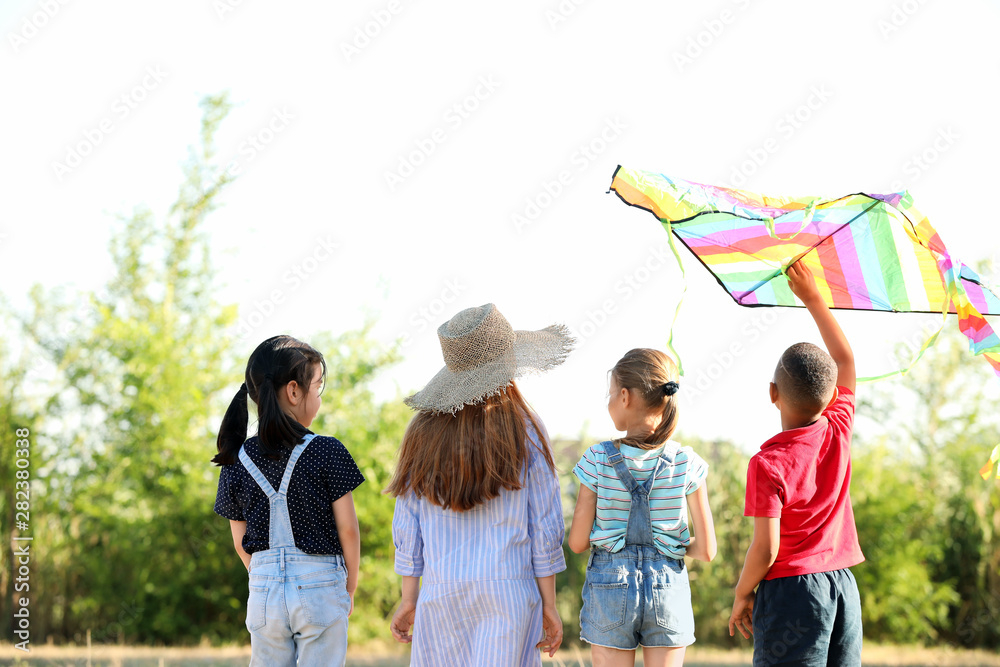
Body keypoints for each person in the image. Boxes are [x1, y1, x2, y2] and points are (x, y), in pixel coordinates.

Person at [386, 303, 573, 666]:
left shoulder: (422, 432)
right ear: (508, 365)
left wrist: (410, 597)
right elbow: (545, 523)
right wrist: (548, 603)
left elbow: (408, 523)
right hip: (510, 591)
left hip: (441, 592)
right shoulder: (528, 429)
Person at [728, 261, 864, 667]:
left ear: (773, 392)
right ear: (831, 395)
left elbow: (766, 549)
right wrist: (813, 298)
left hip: (791, 594)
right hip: (843, 588)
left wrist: (741, 592)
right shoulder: (838, 426)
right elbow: (847, 361)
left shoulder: (767, 464)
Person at [213, 335, 364, 667]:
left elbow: (241, 544)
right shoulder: (327, 450)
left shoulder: (235, 460)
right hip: (320, 585)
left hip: (264, 590)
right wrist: (349, 584)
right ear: (295, 391)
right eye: (318, 387)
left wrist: (269, 577)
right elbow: (348, 530)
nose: (319, 398)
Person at [568, 348, 717, 667]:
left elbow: (578, 543)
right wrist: (669, 547)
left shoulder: (597, 459)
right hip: (668, 587)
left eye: (609, 393)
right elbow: (706, 550)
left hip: (610, 585)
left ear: (624, 396)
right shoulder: (686, 462)